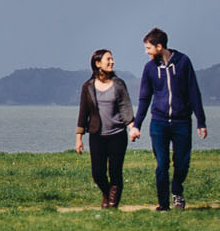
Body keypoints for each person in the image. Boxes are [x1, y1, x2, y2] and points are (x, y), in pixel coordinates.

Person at [126, 28, 208, 211]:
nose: (146, 52)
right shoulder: (149, 68)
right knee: (161, 164)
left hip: (182, 122)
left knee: (182, 163)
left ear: (159, 46)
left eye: (148, 48)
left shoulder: (184, 62)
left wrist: (201, 121)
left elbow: (194, 92)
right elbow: (144, 98)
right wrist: (136, 125)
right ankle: (163, 205)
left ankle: (177, 190)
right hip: (159, 123)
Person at [75, 49, 134, 208]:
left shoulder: (119, 84)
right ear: (97, 63)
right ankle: (107, 193)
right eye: (108, 59)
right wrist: (79, 138)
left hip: (117, 135)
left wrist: (132, 127)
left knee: (115, 171)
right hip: (97, 135)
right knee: (98, 173)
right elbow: (83, 112)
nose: (112, 62)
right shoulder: (88, 86)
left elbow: (125, 108)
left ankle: (112, 204)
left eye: (112, 59)